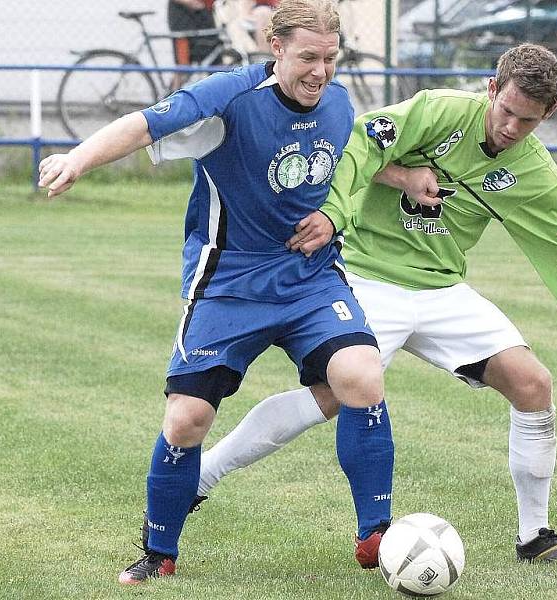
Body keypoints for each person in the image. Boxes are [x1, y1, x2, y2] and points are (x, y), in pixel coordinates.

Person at [191, 43, 557, 567]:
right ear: (491, 89)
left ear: (551, 114)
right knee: (329, 397)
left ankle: (535, 537)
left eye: (529, 121)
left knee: (534, 383)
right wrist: (357, 201)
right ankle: (201, 475)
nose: (513, 127)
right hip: (365, 276)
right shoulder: (437, 112)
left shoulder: (536, 175)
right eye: (507, 111)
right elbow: (352, 143)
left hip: (441, 289)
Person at [38, 0, 400, 585]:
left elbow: (355, 158)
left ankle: (377, 536)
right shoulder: (230, 97)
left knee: (362, 375)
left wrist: (377, 192)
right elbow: (145, 124)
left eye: (331, 58)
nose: (321, 71)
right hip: (227, 282)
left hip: (309, 279)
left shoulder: (337, 100)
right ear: (275, 47)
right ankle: (160, 552)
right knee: (187, 420)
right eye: (308, 57)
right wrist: (77, 159)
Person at [168, 0, 220, 88]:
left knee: (216, 62)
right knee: (183, 67)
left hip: (204, 18)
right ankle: (171, 97)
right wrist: (190, 2)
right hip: (183, 22)